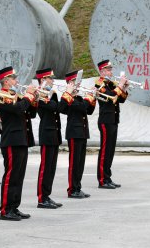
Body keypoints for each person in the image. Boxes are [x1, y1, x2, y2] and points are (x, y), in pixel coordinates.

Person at [0, 66, 37, 221]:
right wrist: (28, 97)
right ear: (6, 80)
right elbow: (18, 109)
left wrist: (34, 99)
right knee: (11, 175)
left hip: (21, 139)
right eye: (14, 78)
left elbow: (30, 113)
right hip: (11, 139)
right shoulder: (0, 96)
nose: (17, 81)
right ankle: (5, 209)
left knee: (19, 175)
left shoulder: (14, 94)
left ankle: (14, 206)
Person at [60, 70, 96, 199]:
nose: (79, 84)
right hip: (74, 133)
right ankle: (72, 189)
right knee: (74, 163)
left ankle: (78, 187)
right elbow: (81, 107)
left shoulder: (79, 98)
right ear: (71, 83)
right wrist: (89, 98)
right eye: (77, 82)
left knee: (80, 163)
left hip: (82, 132)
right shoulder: (68, 98)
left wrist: (93, 98)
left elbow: (89, 110)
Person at [94, 60, 129, 189]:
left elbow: (120, 99)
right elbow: (110, 97)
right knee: (105, 151)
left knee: (110, 150)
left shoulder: (110, 83)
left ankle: (107, 177)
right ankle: (102, 180)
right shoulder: (100, 84)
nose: (111, 72)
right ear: (102, 71)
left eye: (110, 69)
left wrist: (124, 88)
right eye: (108, 70)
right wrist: (119, 86)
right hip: (105, 121)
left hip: (113, 120)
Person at [35, 68, 63, 209]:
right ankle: (42, 198)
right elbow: (55, 107)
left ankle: (47, 195)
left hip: (54, 133)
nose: (53, 81)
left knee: (51, 167)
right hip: (47, 134)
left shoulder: (50, 94)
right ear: (42, 80)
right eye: (50, 78)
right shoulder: (40, 95)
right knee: (45, 167)